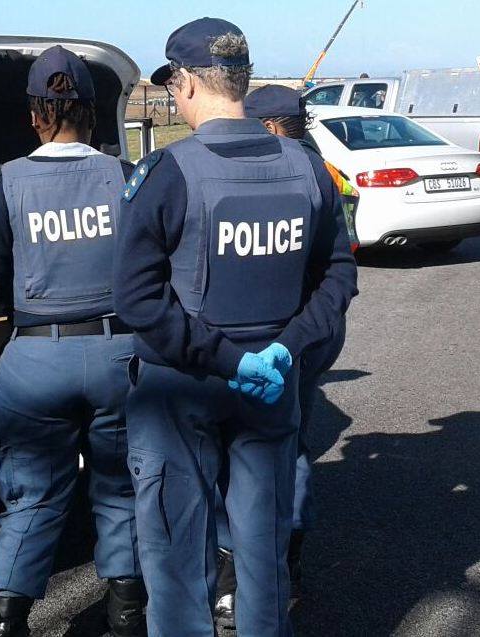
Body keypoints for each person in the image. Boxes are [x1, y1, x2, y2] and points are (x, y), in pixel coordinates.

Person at [115, 18, 357, 636]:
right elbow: (338, 276)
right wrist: (286, 349)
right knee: (262, 549)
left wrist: (227, 358)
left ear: (188, 84)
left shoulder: (167, 172)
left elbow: (137, 299)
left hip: (181, 388)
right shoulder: (306, 169)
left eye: (172, 88)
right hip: (271, 389)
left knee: (174, 553)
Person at [0, 46, 145, 637]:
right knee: (121, 490)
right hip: (119, 354)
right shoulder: (127, 178)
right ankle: (128, 615)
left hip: (35, 360)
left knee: (31, 495)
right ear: (89, 111)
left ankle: (10, 619)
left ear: (36, 115)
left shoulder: (9, 184)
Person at [209, 83, 358, 628]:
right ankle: (288, 555)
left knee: (251, 445)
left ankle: (240, 565)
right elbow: (344, 259)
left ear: (269, 126)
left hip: (277, 335)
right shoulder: (325, 171)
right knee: (292, 438)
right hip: (320, 329)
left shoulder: (272, 171)